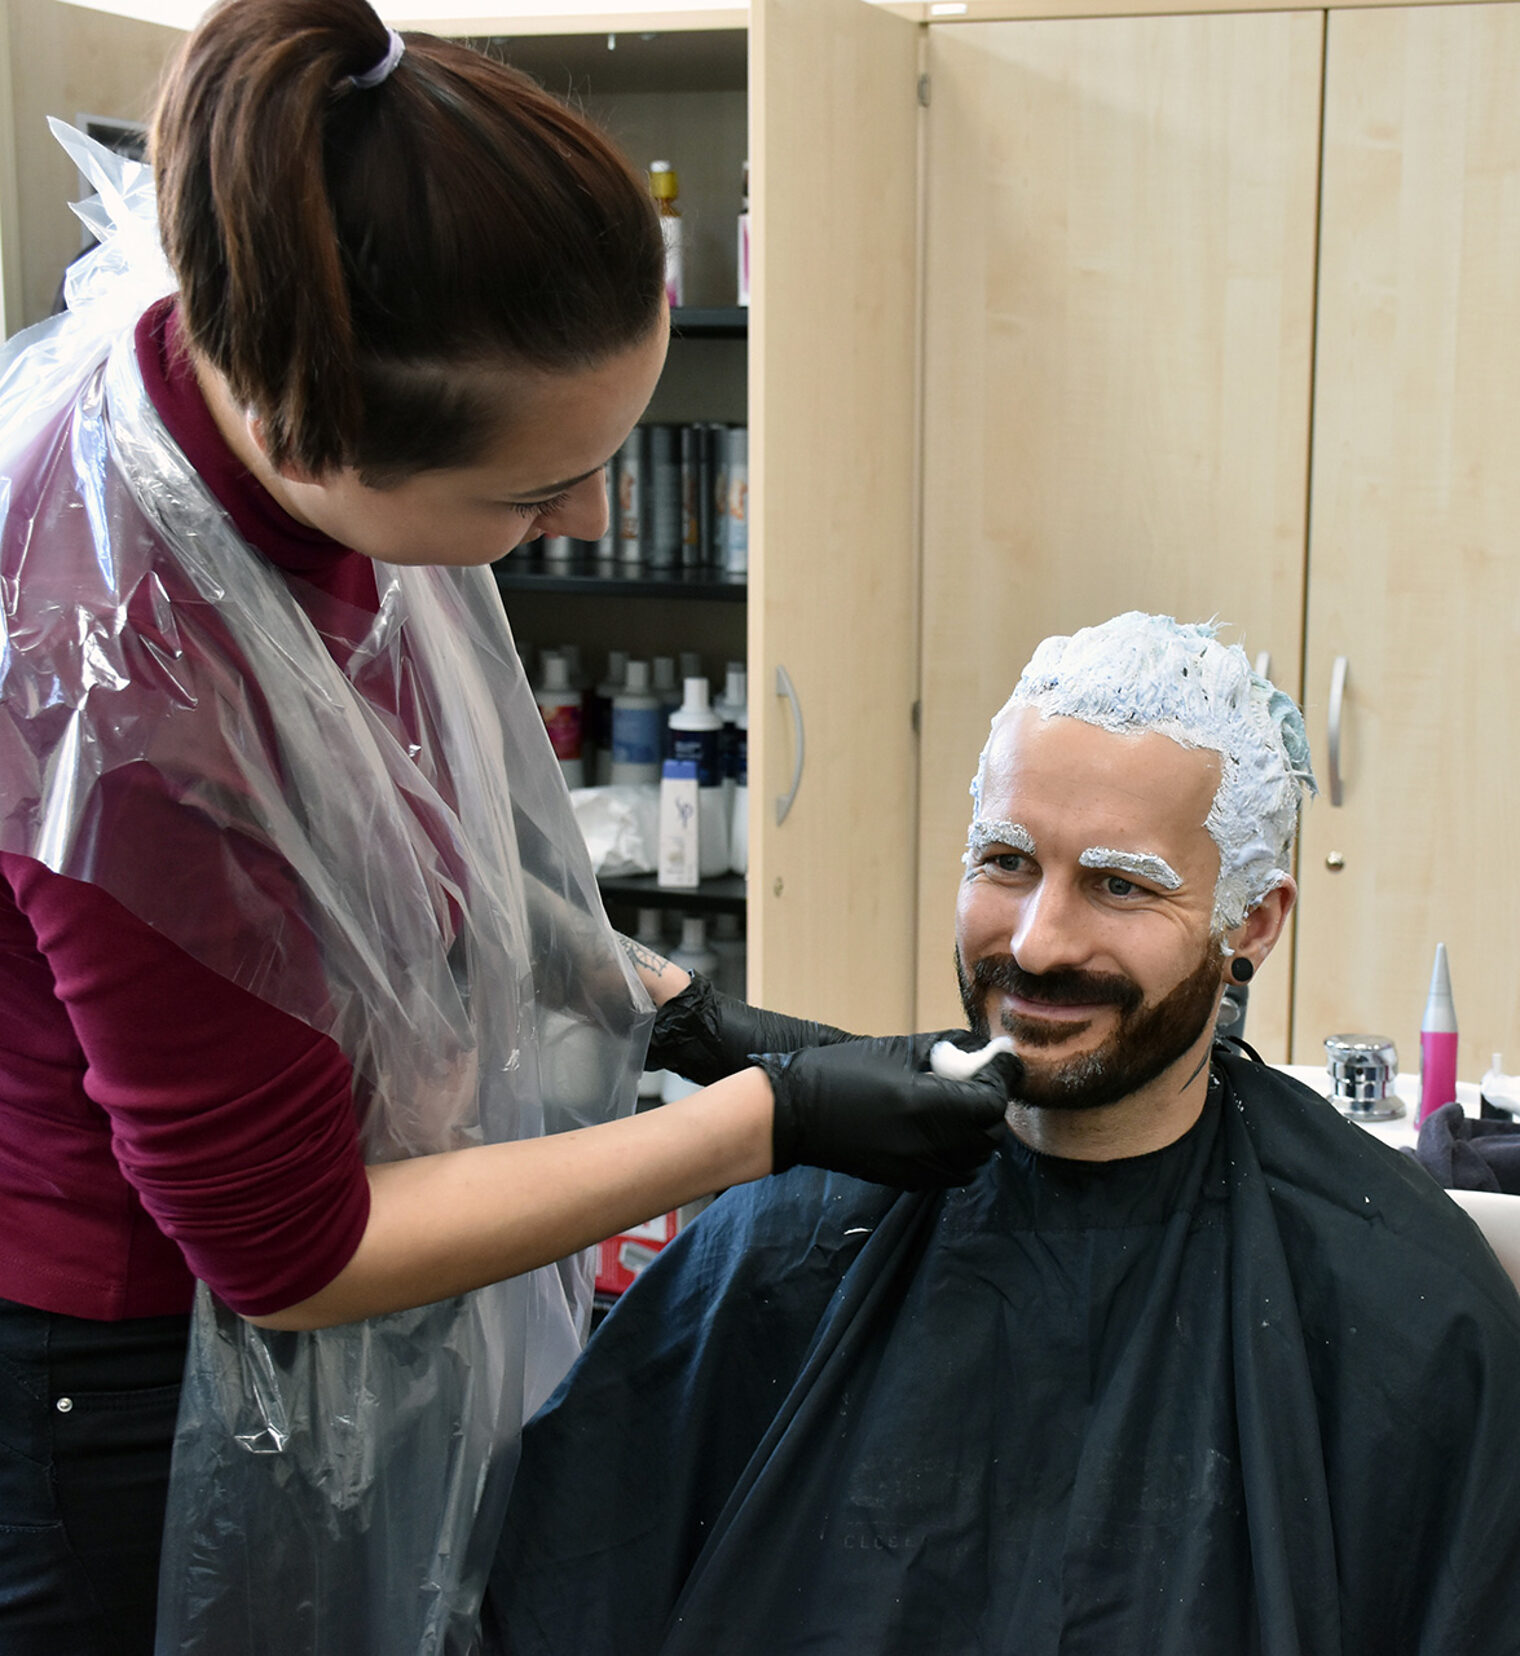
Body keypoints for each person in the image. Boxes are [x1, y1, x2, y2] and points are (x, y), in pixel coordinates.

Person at [0, 5, 1018, 1653]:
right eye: (537, 496)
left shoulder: (280, 419)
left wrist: (665, 1006)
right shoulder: (125, 709)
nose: (594, 519)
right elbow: (295, 1251)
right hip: (121, 1360)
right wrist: (766, 1118)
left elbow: (373, 843)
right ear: (315, 430)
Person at [492, 612, 1520, 1656]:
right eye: (1005, 862)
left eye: (1120, 884)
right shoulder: (788, 1237)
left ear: (1250, 922)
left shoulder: (1403, 1304)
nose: (1037, 942)